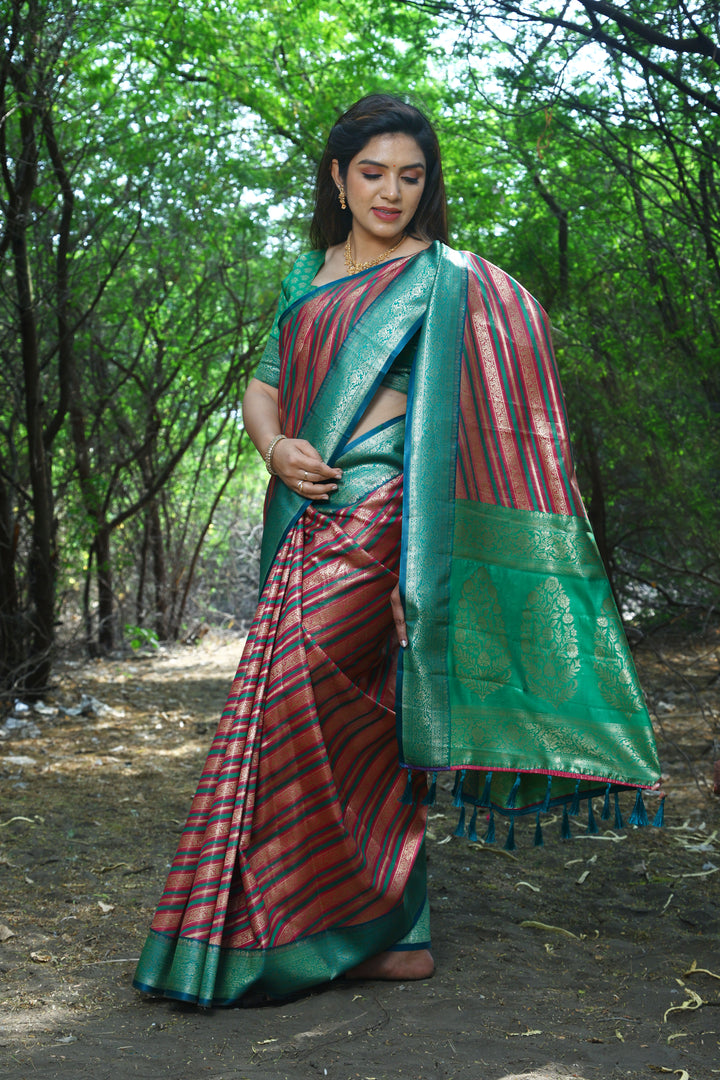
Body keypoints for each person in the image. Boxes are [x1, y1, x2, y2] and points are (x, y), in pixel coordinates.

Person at [133, 94, 661, 1007]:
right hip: (306, 510)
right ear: (337, 178)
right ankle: (384, 931)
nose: (392, 192)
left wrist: (432, 566)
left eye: (411, 176)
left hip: (389, 521)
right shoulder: (310, 272)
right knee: (340, 720)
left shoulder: (449, 283)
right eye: (373, 173)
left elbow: (481, 430)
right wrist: (278, 447)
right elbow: (264, 390)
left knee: (307, 704)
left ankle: (312, 930)